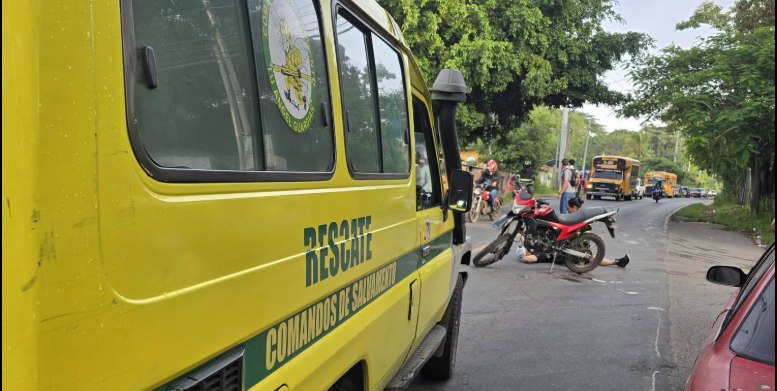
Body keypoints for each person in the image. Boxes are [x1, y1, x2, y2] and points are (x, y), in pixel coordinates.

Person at [517, 198, 630, 267]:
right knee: (591, 257)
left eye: (569, 208)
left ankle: (616, 262)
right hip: (572, 248)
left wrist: (522, 256)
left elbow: (530, 258)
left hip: (566, 250)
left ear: (575, 207)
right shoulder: (578, 219)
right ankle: (617, 262)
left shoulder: (543, 253)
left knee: (590, 257)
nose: (568, 210)